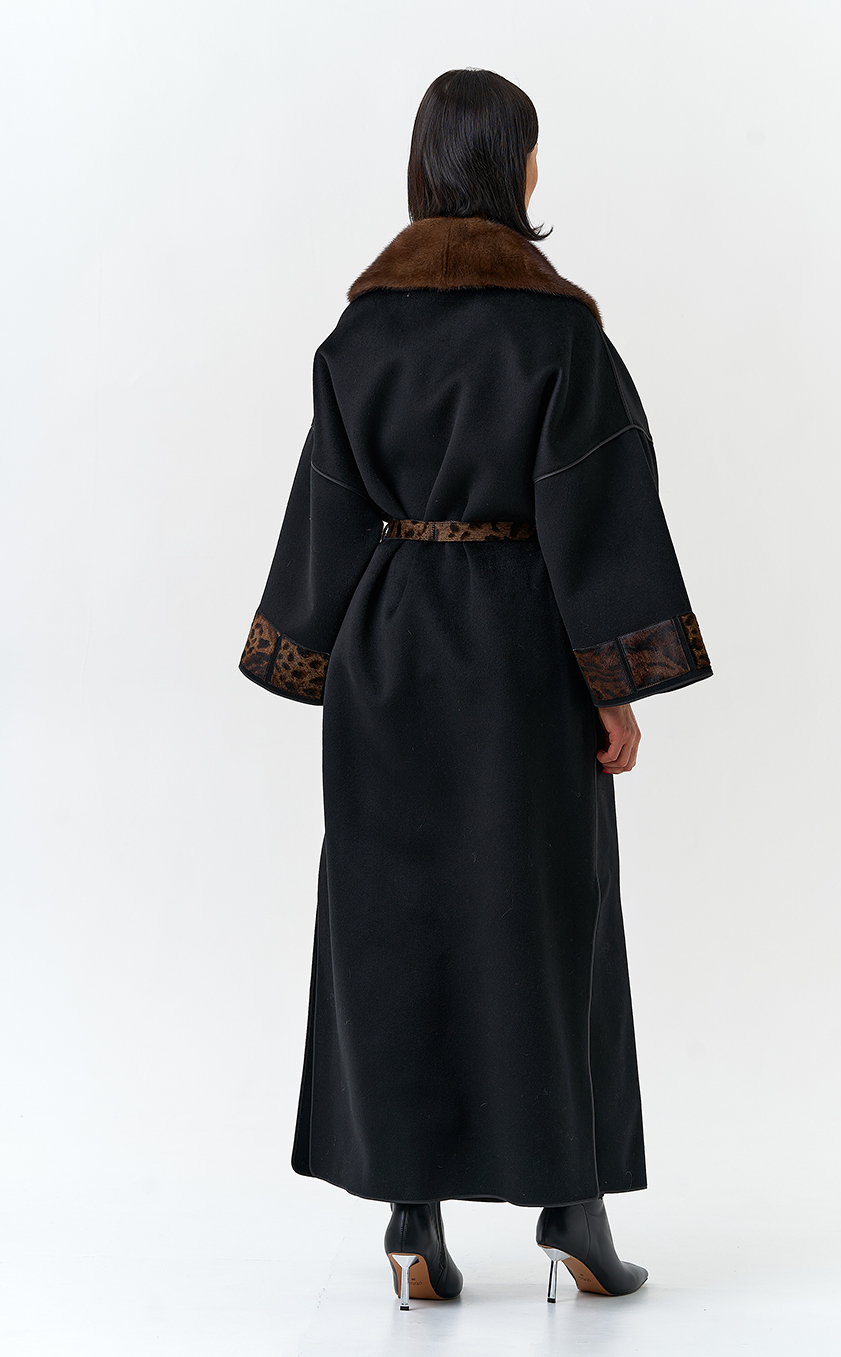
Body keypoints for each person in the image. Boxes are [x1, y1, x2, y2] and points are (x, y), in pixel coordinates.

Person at [239, 68, 713, 1310]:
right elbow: (597, 512)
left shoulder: (358, 336)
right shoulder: (557, 334)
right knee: (547, 922)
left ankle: (411, 1221)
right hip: (522, 657)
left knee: (393, 925)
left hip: (389, 657)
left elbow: (328, 509)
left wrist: (305, 648)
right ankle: (574, 1213)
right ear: (515, 167)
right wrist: (614, 684)